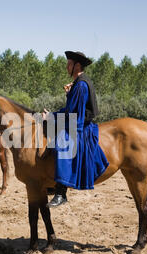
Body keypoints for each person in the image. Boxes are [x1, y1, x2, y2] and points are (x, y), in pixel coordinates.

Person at [43, 51, 109, 208]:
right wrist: (68, 95)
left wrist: (51, 116)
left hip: (80, 125)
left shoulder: (80, 85)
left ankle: (61, 192)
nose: (67, 67)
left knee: (61, 144)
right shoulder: (78, 83)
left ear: (77, 65)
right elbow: (72, 107)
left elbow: (73, 114)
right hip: (77, 119)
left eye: (69, 64)